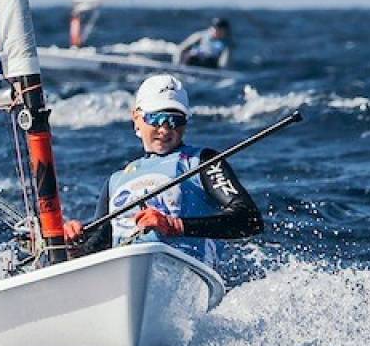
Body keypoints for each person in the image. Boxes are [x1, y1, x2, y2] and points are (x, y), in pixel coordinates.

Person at [63, 73, 261, 264]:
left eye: (175, 120)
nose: (165, 129)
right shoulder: (115, 181)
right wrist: (74, 243)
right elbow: (97, 247)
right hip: (124, 269)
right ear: (136, 117)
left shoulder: (203, 161)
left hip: (188, 268)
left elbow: (249, 219)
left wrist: (174, 225)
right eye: (155, 119)